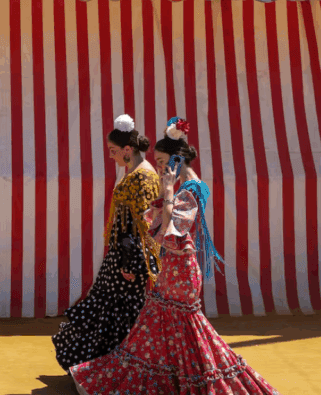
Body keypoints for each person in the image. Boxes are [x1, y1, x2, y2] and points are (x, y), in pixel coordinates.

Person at [69, 117, 280, 395]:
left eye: (161, 160)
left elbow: (171, 230)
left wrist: (166, 194)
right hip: (173, 266)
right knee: (159, 330)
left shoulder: (191, 188)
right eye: (156, 160)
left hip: (180, 271)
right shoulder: (183, 186)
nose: (157, 166)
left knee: (183, 330)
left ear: (177, 160)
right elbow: (157, 224)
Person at [52, 114, 162, 371]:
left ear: (127, 149)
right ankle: (108, 368)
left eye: (114, 151)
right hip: (125, 254)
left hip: (128, 256)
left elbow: (138, 224)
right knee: (111, 311)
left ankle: (113, 369)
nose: (111, 156)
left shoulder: (141, 176)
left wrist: (127, 262)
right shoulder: (137, 172)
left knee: (118, 313)